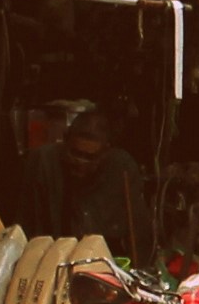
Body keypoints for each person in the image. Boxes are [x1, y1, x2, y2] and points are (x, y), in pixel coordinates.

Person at [17, 104, 148, 262]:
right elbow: (27, 227)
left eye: (89, 157)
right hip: (50, 259)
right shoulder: (43, 162)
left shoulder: (121, 168)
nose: (80, 163)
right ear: (65, 141)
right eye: (75, 153)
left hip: (103, 261)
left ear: (105, 153)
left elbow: (138, 234)